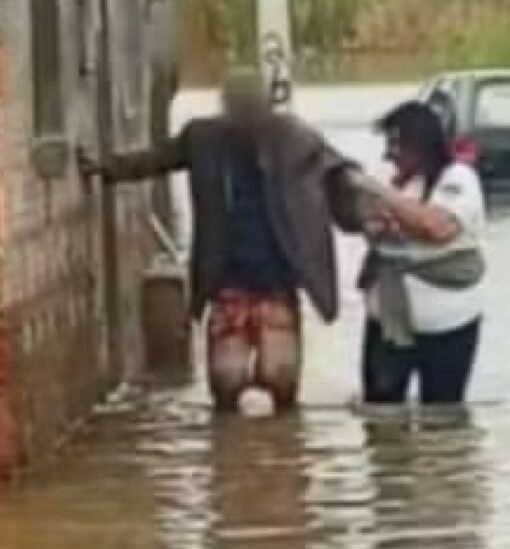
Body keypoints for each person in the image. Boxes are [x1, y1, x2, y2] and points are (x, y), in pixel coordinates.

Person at [80, 67, 371, 413]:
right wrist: (107, 169)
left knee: (279, 378)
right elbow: (156, 159)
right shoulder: (203, 139)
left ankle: (282, 454)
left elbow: (337, 171)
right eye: (239, 105)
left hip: (277, 281)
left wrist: (362, 204)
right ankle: (234, 453)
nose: (246, 114)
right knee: (227, 380)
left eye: (252, 105)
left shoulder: (295, 138)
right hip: (227, 282)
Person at [357, 101, 487, 405]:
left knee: (443, 419)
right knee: (381, 414)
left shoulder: (458, 179)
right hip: (386, 322)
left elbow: (437, 227)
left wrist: (386, 198)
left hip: (449, 325)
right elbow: (365, 223)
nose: (388, 154)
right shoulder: (388, 177)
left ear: (420, 145)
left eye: (396, 145)